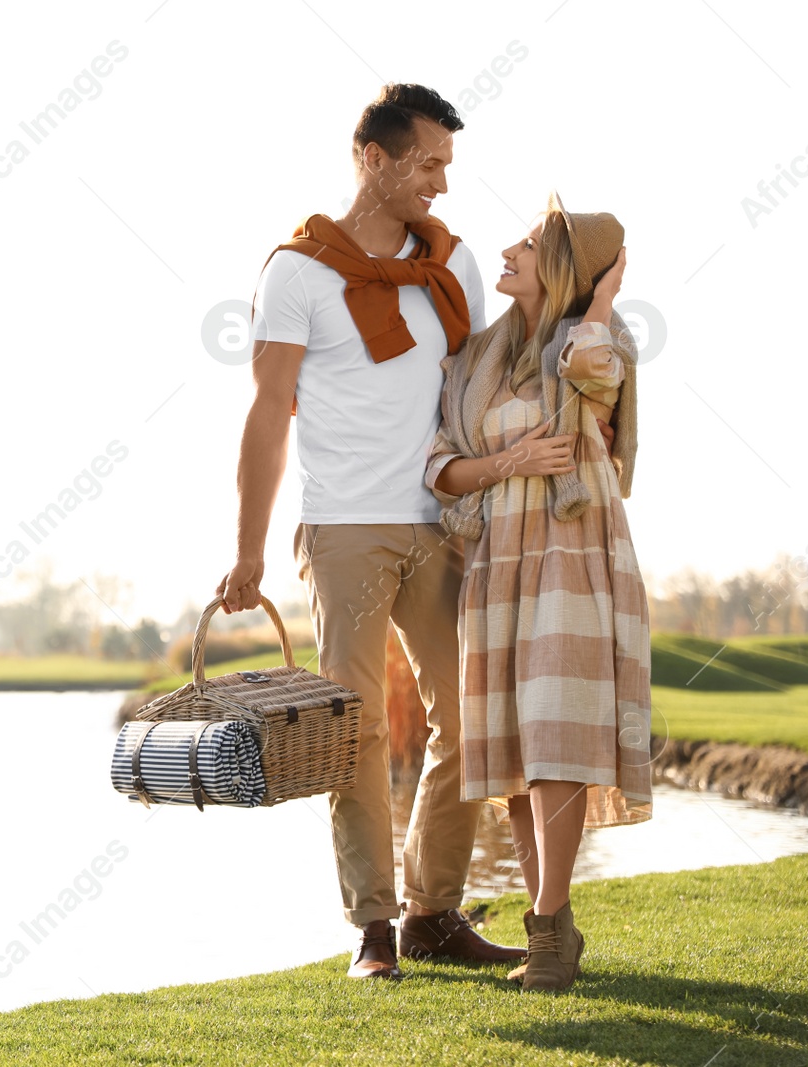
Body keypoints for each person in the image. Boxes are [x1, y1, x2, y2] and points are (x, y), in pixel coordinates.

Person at [218, 83, 533, 980]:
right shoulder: (297, 272)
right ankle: (374, 927)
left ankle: (434, 910)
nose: (440, 181)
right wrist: (249, 549)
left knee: (470, 718)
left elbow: (482, 392)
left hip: (445, 521)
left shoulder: (455, 267)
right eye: (427, 162)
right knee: (353, 729)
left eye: (445, 164)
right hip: (346, 525)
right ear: (374, 159)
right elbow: (269, 412)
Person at [425, 193, 650, 992]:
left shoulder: (594, 341)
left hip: (571, 549)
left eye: (527, 245)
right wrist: (506, 464)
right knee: (517, 748)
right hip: (498, 558)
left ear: (562, 269)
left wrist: (602, 298)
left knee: (557, 731)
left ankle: (549, 932)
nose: (508, 252)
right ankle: (549, 923)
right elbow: (440, 464)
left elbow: (595, 370)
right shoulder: (475, 358)